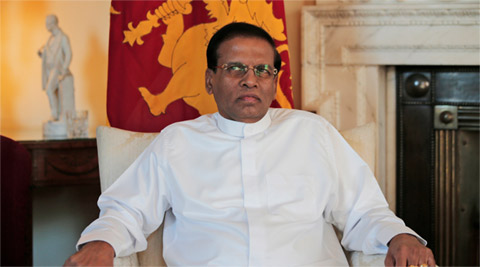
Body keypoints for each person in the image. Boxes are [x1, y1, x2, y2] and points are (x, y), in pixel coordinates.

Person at [65, 22, 435, 266]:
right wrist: (102, 244)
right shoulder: (177, 142)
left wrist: (399, 236)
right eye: (235, 68)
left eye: (262, 70)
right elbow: (127, 210)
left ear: (274, 81)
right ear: (210, 80)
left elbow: (364, 210)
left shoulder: (313, 133)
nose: (250, 80)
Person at [38, 14, 75, 122]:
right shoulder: (50, 38)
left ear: (52, 23)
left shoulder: (62, 37)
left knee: (49, 90)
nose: (46, 26)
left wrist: (64, 69)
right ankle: (58, 115)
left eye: (47, 23)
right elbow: (49, 54)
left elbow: (69, 54)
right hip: (49, 69)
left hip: (57, 69)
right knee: (54, 92)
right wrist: (42, 54)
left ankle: (55, 114)